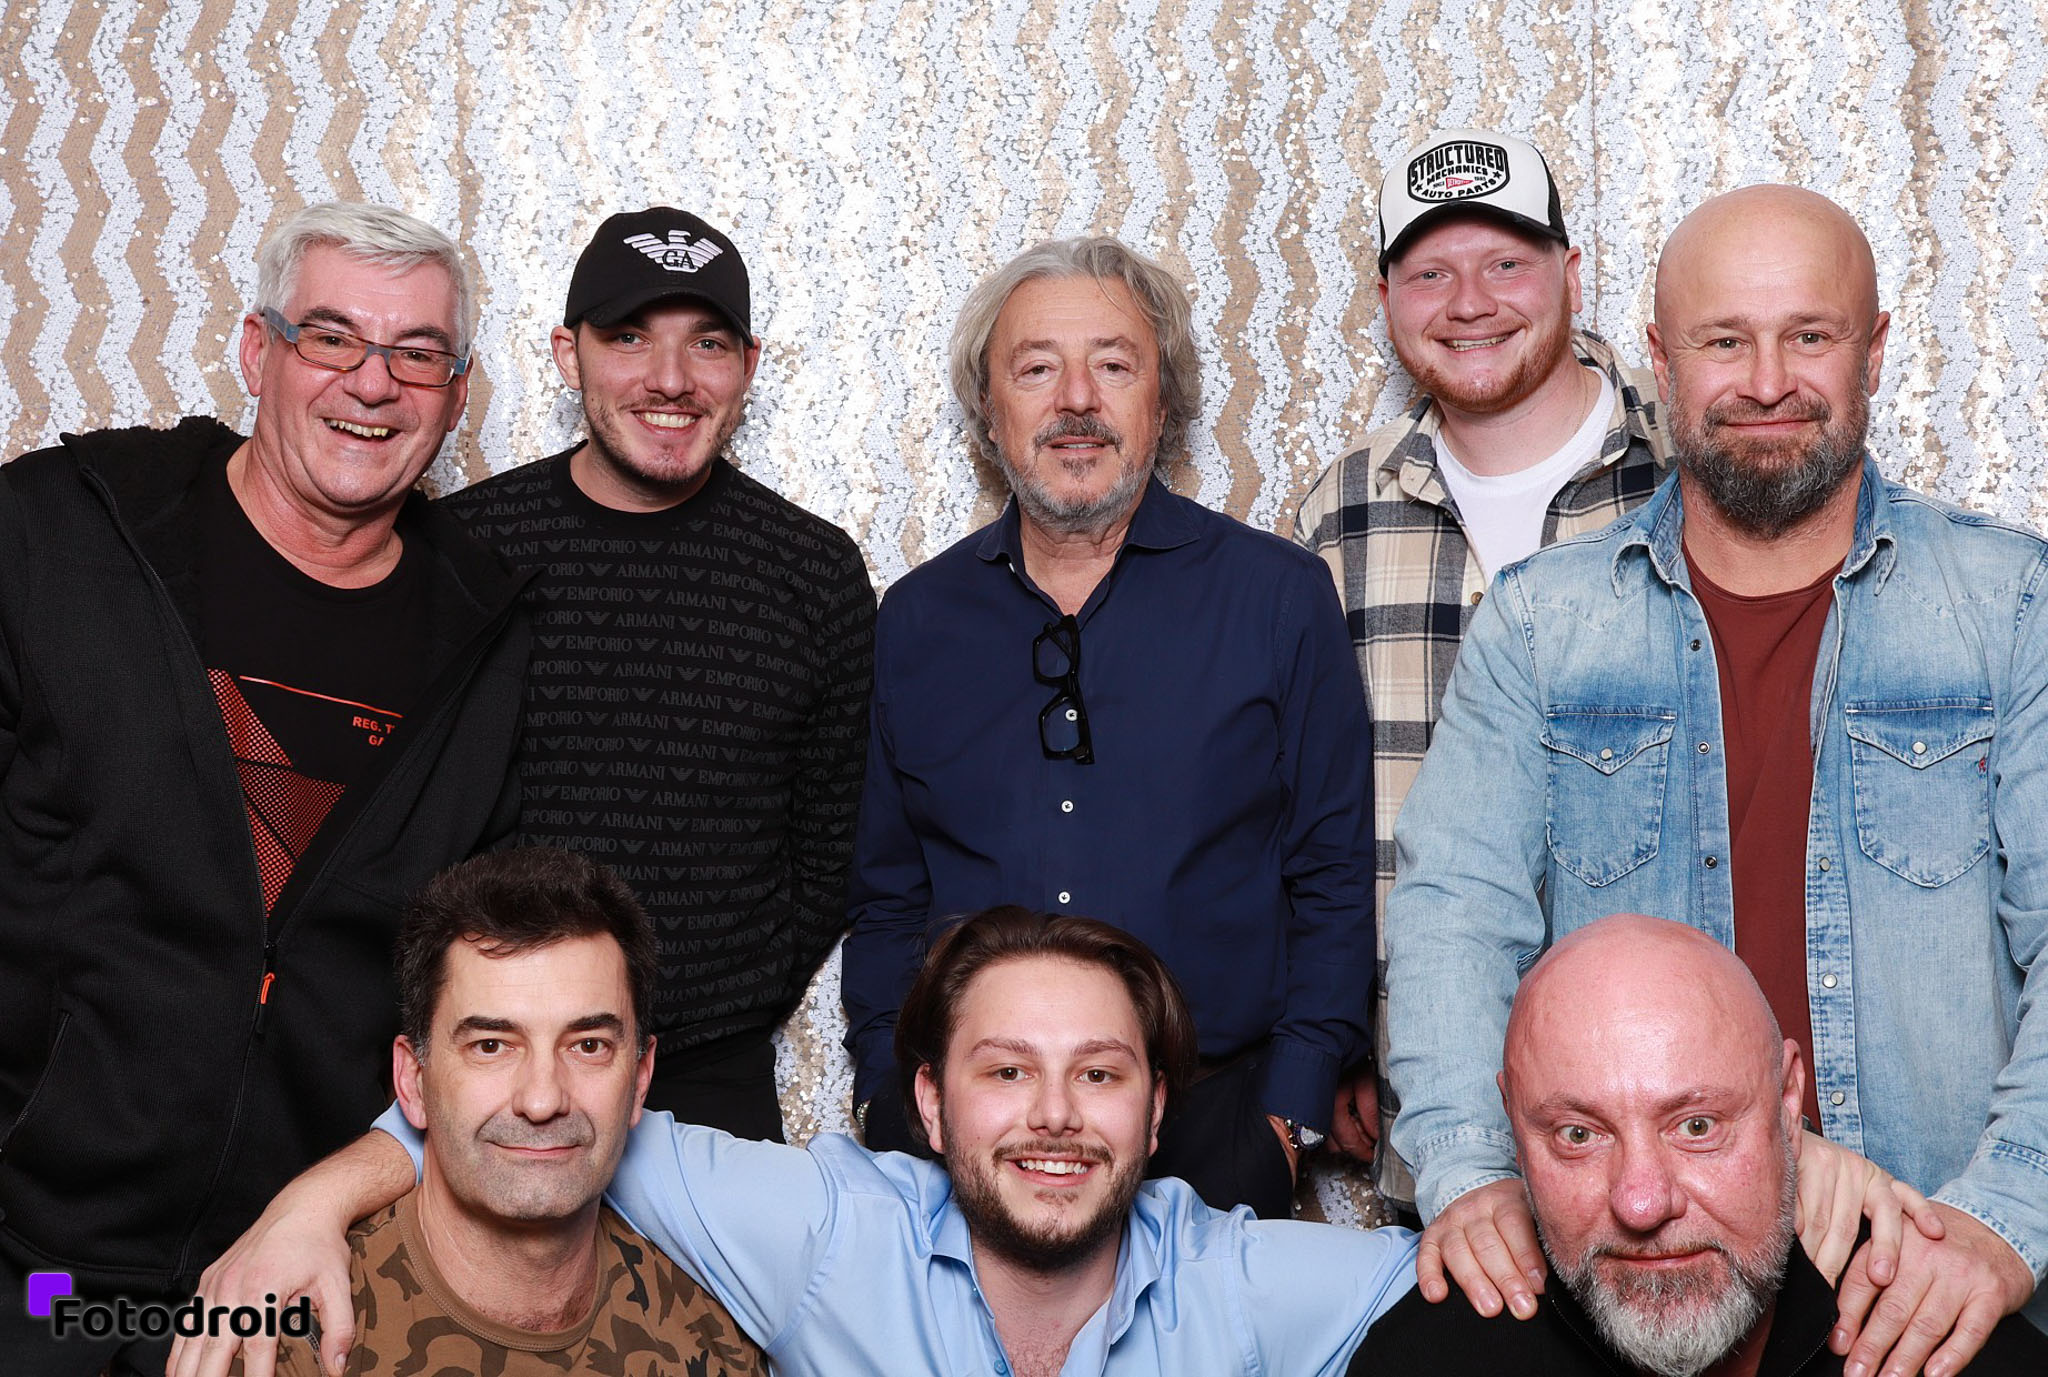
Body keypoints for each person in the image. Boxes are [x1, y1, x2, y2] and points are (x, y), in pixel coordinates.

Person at [1384, 184, 2046, 1377]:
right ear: (1661, 358)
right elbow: (1451, 923)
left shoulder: (2011, 607)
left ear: (1873, 351)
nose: (1765, 381)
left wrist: (2005, 1217)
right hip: (1630, 1267)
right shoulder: (1539, 627)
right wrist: (1470, 1172)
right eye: (1723, 341)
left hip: (1927, 1271)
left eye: (1808, 335)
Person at [0, 202, 531, 1377]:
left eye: (417, 354)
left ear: (456, 394)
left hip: (287, 1272)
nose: (372, 383)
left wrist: (335, 1199)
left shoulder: (488, 639)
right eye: (330, 337)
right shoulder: (56, 535)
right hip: (36, 1261)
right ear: (257, 350)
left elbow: (480, 991)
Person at [174, 908, 1416, 1377]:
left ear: (1154, 1112)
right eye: (1003, 1071)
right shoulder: (830, 1231)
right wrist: (304, 1208)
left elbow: (1471, 1297)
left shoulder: (1237, 1280)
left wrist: (1484, 1202)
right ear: (930, 1103)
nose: (1051, 1114)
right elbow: (542, 1120)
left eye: (1097, 1075)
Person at [840, 236, 1376, 1218]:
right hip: (973, 1137)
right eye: (1036, 369)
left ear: (1161, 403)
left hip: (1218, 1126)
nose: (1076, 400)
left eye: (1114, 366)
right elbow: (886, 893)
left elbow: (1333, 873)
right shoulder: (916, 619)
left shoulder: (1278, 598)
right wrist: (886, 1095)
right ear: (989, 410)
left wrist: (1287, 1116)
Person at [1292, 127, 1671, 1214]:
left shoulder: (1685, 474)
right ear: (1385, 299)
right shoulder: (1340, 510)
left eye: (1505, 262)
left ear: (1569, 272)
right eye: (1430, 273)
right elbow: (1313, 804)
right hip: (1432, 1077)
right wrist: (1349, 1029)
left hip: (1663, 1068)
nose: (1469, 303)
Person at [440, 207, 873, 1141]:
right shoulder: (467, 550)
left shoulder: (813, 572)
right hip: (496, 1058)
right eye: (630, 336)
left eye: (706, 343)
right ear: (570, 355)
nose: (670, 378)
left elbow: (833, 840)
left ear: (747, 366)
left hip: (711, 1074)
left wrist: (730, 992)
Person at [1352, 914, 2048, 1375]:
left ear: (1789, 1102)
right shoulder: (1426, 1360)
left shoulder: (1958, 1351)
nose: (1642, 1203)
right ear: (1511, 1122)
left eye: (1697, 1126)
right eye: (1578, 1135)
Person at [246, 848, 763, 1376]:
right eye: (491, 1046)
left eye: (588, 1046)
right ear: (413, 1081)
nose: (542, 1101)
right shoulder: (286, 1338)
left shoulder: (716, 1333)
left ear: (640, 1079)